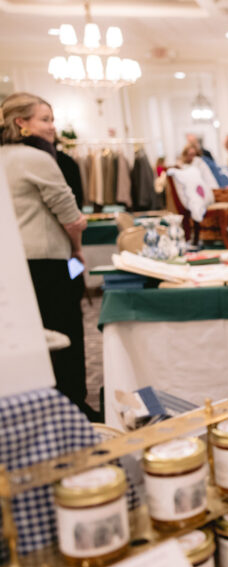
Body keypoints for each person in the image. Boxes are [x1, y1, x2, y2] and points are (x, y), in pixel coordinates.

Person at [0, 92, 94, 418]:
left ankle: (39, 406)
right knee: (66, 333)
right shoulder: (38, 159)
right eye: (45, 119)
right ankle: (73, 407)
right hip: (51, 263)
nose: (53, 126)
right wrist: (78, 249)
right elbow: (72, 218)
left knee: (29, 339)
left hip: (13, 265)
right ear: (21, 123)